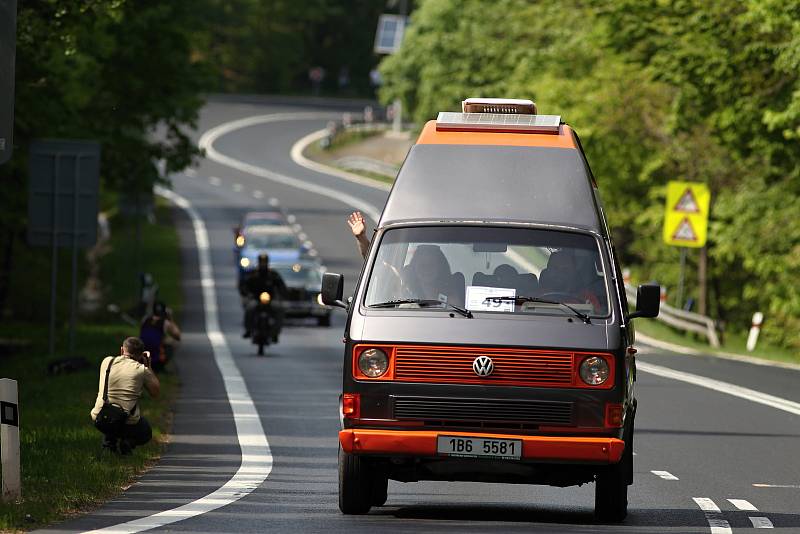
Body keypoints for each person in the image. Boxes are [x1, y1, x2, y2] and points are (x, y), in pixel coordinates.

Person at [90, 337, 160, 454]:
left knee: (112, 411)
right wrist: (149, 367)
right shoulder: (141, 370)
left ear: (122, 350)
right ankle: (127, 442)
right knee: (146, 432)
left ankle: (109, 446)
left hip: (99, 417)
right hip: (125, 421)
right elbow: (155, 392)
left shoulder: (107, 361)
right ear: (141, 355)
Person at [242, 253, 288, 340]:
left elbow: (281, 285)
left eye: (264, 262)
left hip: (270, 299)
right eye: (261, 262)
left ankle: (275, 332)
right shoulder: (253, 274)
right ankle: (248, 330)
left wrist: (281, 295)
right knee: (249, 309)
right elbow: (244, 285)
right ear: (259, 262)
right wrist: (247, 294)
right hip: (256, 298)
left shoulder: (273, 274)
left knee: (279, 309)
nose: (263, 264)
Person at [139, 301, 181, 373]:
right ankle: (161, 364)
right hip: (156, 355)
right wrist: (170, 319)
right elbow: (177, 336)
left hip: (142, 353)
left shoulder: (145, 319)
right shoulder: (165, 322)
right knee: (174, 342)